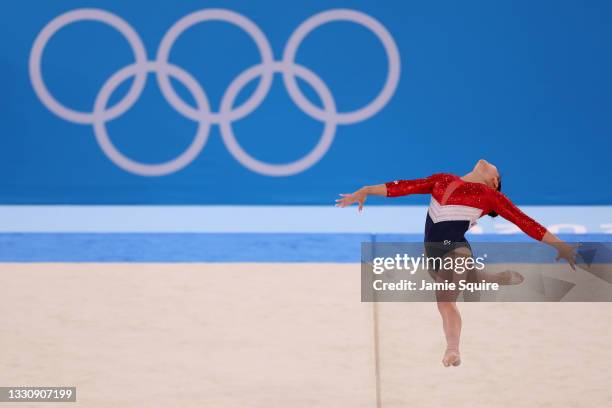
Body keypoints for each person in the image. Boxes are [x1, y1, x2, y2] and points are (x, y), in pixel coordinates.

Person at [335, 159, 577, 367]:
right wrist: (367, 189)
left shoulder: (490, 196)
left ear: (494, 182)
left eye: (497, 173)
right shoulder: (442, 179)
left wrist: (560, 245)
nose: (492, 166)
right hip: (433, 255)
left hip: (456, 250)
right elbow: (404, 187)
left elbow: (524, 221)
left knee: (445, 302)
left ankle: (453, 348)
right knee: (461, 281)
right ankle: (496, 278)